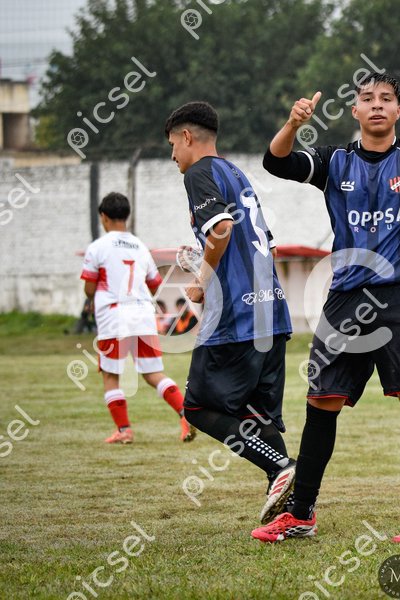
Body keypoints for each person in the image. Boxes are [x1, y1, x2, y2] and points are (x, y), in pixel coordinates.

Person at [254, 73, 400, 544]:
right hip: (347, 299)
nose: (376, 105)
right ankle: (301, 514)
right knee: (322, 400)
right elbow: (275, 162)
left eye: (386, 99)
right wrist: (293, 124)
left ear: (398, 111)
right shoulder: (334, 161)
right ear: (354, 110)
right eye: (366, 98)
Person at [164, 101, 296, 523]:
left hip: (236, 317)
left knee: (197, 407)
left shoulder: (199, 173)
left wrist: (202, 282)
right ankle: (293, 509)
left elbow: (221, 230)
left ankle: (280, 467)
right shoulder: (236, 173)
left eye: (172, 145)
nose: (173, 156)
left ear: (187, 137)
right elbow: (263, 244)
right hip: (270, 310)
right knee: (258, 413)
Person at [80, 192, 195, 444]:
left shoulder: (97, 247)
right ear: (127, 216)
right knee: (153, 373)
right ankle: (185, 415)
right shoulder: (141, 247)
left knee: (111, 375)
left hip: (114, 317)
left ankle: (124, 430)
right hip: (142, 315)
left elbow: (89, 288)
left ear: (103, 217)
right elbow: (154, 285)